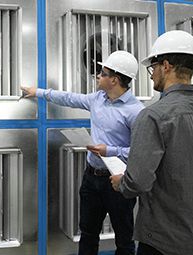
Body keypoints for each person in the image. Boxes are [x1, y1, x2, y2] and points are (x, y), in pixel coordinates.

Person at [110, 30, 193, 255]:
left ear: (166, 65)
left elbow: (138, 182)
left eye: (153, 68)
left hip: (165, 241)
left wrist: (121, 183)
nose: (152, 75)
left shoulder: (153, 116)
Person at [22, 51, 144, 255]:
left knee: (124, 239)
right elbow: (69, 98)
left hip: (119, 182)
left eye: (102, 73)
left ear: (114, 80)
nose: (98, 76)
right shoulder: (97, 99)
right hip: (91, 178)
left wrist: (109, 150)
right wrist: (38, 92)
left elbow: (140, 152)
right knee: (88, 233)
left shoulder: (136, 111)